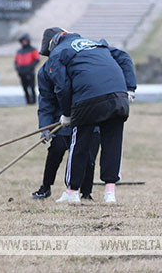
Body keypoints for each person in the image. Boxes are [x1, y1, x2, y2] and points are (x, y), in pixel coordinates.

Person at [39, 27, 137, 204]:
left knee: (79, 143)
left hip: (88, 99)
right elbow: (124, 57)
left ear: (52, 44)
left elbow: (62, 86)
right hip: (118, 96)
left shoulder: (58, 52)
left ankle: (72, 192)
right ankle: (110, 193)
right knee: (112, 144)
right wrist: (130, 88)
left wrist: (68, 114)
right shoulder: (97, 44)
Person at [32, 64, 98, 201]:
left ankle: (86, 193)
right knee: (56, 150)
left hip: (88, 117)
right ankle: (45, 187)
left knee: (88, 155)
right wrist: (45, 127)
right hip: (62, 120)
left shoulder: (85, 66)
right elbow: (46, 101)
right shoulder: (47, 70)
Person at [14, 34, 40, 105]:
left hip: (30, 72)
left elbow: (37, 59)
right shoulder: (19, 51)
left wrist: (30, 67)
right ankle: (28, 101)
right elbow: (16, 61)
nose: (24, 42)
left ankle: (33, 101)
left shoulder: (33, 50)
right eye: (22, 41)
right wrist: (18, 68)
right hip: (22, 72)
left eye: (25, 41)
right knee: (25, 88)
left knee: (32, 87)